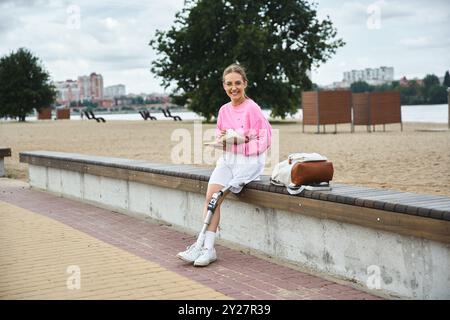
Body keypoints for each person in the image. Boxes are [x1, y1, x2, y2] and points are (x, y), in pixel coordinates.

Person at [177, 63, 272, 267]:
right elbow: (223, 135)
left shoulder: (253, 108)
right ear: (224, 86)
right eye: (229, 84)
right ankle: (205, 247)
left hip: (249, 162)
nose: (233, 88)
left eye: (238, 83)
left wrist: (241, 143)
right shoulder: (223, 110)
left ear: (245, 84)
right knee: (211, 196)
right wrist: (223, 141)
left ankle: (205, 247)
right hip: (228, 159)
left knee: (217, 198)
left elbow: (265, 140)